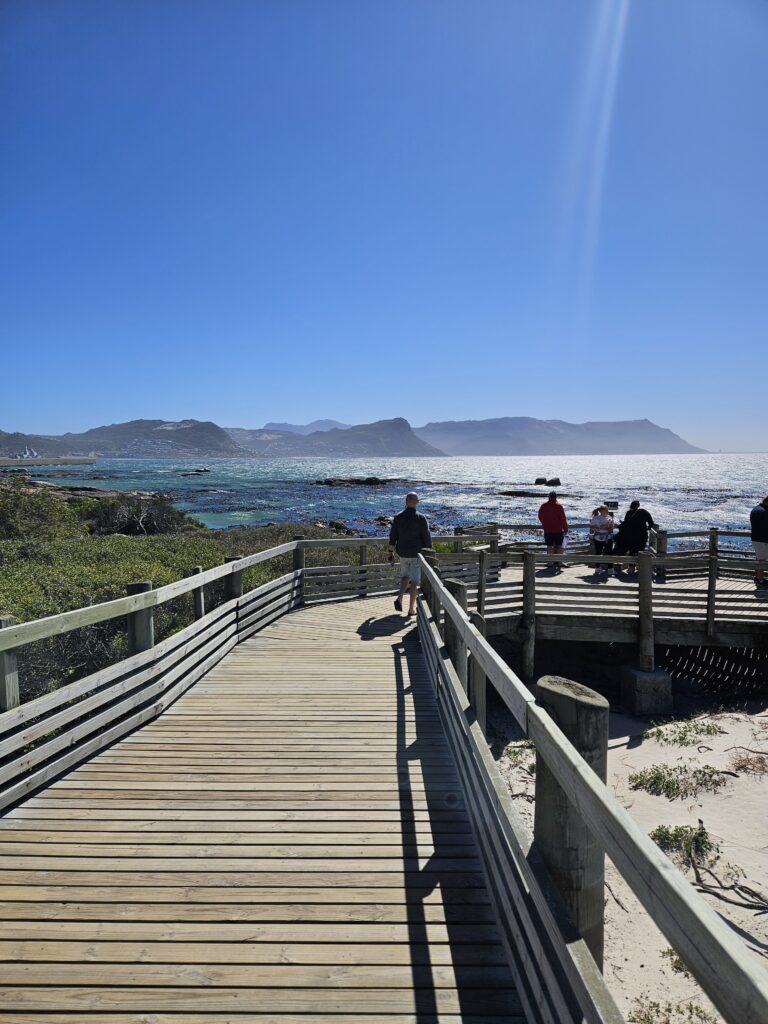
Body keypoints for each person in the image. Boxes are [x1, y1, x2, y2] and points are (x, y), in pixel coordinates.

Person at [388, 492, 432, 615]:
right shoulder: (421, 518)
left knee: (405, 577)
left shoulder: (398, 517)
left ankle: (400, 597)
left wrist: (390, 553)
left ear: (406, 502)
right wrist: (430, 552)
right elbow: (427, 538)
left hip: (403, 553)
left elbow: (393, 537)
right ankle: (411, 609)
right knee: (414, 581)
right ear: (416, 502)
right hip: (416, 554)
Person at [614, 500, 656, 571]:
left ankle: (631, 567)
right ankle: (640, 567)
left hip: (631, 535)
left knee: (632, 551)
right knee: (641, 551)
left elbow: (626, 523)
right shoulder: (644, 512)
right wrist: (646, 528)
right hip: (642, 535)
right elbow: (651, 523)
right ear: (638, 505)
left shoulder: (629, 512)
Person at [538, 491, 568, 571]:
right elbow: (563, 519)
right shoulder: (559, 506)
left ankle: (550, 562)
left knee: (549, 546)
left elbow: (540, 516)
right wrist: (565, 529)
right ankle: (559, 562)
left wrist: (544, 524)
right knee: (560, 546)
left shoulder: (543, 506)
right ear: (556, 497)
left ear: (549, 497)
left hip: (547, 529)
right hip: (558, 529)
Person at [589, 504, 614, 575]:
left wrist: (609, 526)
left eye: (607, 510)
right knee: (598, 553)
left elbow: (611, 528)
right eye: (606, 510)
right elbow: (592, 527)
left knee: (609, 553)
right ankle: (597, 569)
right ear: (601, 511)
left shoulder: (609, 517)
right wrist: (602, 527)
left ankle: (610, 569)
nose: (607, 511)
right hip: (598, 538)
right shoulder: (596, 518)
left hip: (608, 537)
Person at [750, 496, 768, 588]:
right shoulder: (764, 512)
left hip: (756, 538)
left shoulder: (755, 509)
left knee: (759, 559)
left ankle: (758, 578)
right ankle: (760, 580)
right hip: (763, 540)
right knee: (761, 561)